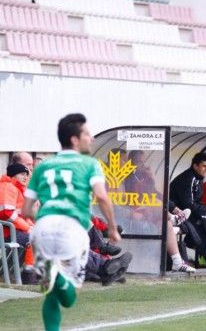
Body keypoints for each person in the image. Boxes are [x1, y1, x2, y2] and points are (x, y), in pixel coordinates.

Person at [22, 113, 121, 331]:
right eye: (87, 133)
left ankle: (54, 279)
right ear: (75, 140)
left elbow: (26, 209)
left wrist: (44, 222)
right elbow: (102, 197)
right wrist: (112, 229)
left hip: (43, 228)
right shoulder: (89, 164)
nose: (91, 138)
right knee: (69, 298)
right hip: (72, 230)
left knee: (50, 294)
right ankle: (58, 278)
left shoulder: (42, 167)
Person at [0, 163, 37, 284]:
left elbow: (20, 214)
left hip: (11, 230)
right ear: (13, 175)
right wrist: (27, 227)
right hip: (6, 232)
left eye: (27, 174)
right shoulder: (7, 187)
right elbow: (7, 213)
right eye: (22, 174)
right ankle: (29, 274)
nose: (25, 177)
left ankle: (31, 273)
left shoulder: (15, 188)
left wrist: (30, 225)